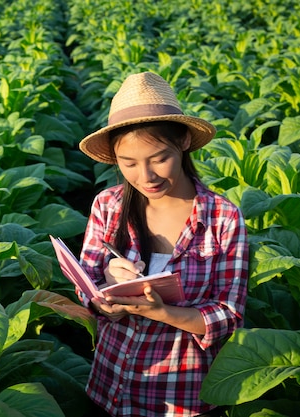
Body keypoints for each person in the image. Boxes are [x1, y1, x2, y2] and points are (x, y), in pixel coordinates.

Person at [76, 72, 249, 416]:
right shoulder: (107, 205)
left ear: (183, 141)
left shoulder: (223, 218)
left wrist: (163, 313)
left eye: (158, 159)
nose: (146, 176)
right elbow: (86, 288)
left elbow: (229, 315)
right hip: (110, 386)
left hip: (182, 395)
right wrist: (106, 295)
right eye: (129, 164)